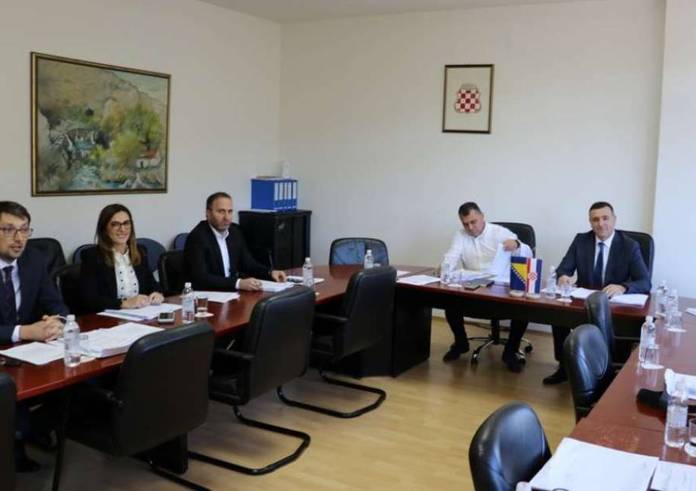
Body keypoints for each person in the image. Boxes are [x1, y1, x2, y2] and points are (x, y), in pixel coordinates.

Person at [543, 201, 651, 384]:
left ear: (614, 220)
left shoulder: (629, 245)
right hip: (584, 302)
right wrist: (563, 277)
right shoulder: (581, 241)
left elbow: (645, 282)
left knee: (618, 336)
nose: (601, 224)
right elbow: (563, 269)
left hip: (614, 306)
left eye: (605, 218)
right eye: (595, 220)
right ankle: (564, 367)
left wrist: (623, 287)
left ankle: (613, 374)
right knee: (559, 312)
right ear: (590, 222)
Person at [0, 201, 68, 472]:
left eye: (24, 230)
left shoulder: (34, 260)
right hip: (9, 350)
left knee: (76, 383)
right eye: (9, 230)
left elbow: (56, 303)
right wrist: (23, 331)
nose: (19, 238)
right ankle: (15, 444)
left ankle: (24, 433)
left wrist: (57, 321)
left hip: (27, 352)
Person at [442, 202, 532, 372]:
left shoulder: (499, 233)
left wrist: (517, 245)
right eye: (465, 224)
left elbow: (526, 253)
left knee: (523, 307)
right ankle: (461, 343)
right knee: (450, 301)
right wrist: (444, 268)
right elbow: (451, 256)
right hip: (474, 286)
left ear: (482, 216)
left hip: (501, 287)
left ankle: (510, 351)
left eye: (473, 222)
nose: (470, 227)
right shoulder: (461, 235)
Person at [183, 192, 286, 291]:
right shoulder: (197, 237)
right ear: (208, 213)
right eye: (221, 211)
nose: (227, 217)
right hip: (206, 296)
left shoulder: (234, 232)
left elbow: (248, 264)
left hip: (230, 293)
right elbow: (201, 278)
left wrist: (270, 273)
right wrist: (238, 283)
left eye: (230, 211)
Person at [79, 204, 164, 313]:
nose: (122, 229)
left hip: (141, 313)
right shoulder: (92, 256)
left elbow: (151, 283)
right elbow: (89, 300)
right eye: (115, 224)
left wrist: (157, 293)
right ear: (104, 229)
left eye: (126, 223)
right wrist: (124, 303)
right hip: (110, 318)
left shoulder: (140, 251)